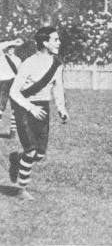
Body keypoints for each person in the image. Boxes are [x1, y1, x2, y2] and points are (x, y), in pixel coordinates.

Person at [8, 27, 68, 200]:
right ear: (45, 42)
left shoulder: (57, 64)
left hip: (43, 108)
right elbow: (14, 92)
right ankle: (22, 190)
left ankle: (17, 160)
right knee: (31, 150)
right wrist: (30, 107)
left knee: (40, 154)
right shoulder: (28, 63)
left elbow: (58, 87)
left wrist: (61, 109)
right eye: (56, 39)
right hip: (24, 107)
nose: (59, 43)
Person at [0, 38, 24, 139]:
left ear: (14, 49)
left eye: (12, 48)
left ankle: (12, 132)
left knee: (15, 108)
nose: (11, 50)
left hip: (13, 83)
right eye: (9, 48)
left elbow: (20, 73)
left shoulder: (18, 60)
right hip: (2, 83)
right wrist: (13, 42)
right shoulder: (2, 56)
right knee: (1, 107)